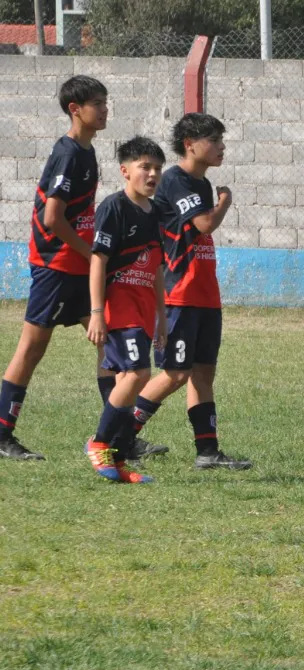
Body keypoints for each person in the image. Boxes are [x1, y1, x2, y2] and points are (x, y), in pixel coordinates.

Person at [127, 113, 251, 470]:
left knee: (202, 374)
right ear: (190, 145)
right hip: (178, 294)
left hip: (205, 294)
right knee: (174, 374)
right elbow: (205, 224)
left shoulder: (200, 185)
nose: (221, 147)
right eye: (213, 140)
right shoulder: (176, 181)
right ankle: (118, 434)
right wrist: (225, 201)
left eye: (220, 140)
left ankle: (208, 452)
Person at [0, 75, 113, 460]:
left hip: (77, 264)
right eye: (97, 102)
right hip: (56, 264)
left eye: (105, 101)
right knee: (32, 349)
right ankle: (2, 435)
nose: (105, 109)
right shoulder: (68, 153)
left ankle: (117, 434)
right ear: (75, 109)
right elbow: (52, 218)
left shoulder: (87, 149)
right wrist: (91, 251)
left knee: (109, 340)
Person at [84, 137, 167, 484]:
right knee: (137, 375)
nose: (152, 174)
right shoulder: (114, 208)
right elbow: (98, 261)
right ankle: (99, 443)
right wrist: (97, 312)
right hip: (119, 305)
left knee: (127, 379)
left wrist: (162, 316)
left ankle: (117, 461)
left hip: (145, 309)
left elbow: (158, 268)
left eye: (157, 168)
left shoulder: (155, 212)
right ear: (125, 170)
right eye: (145, 167)